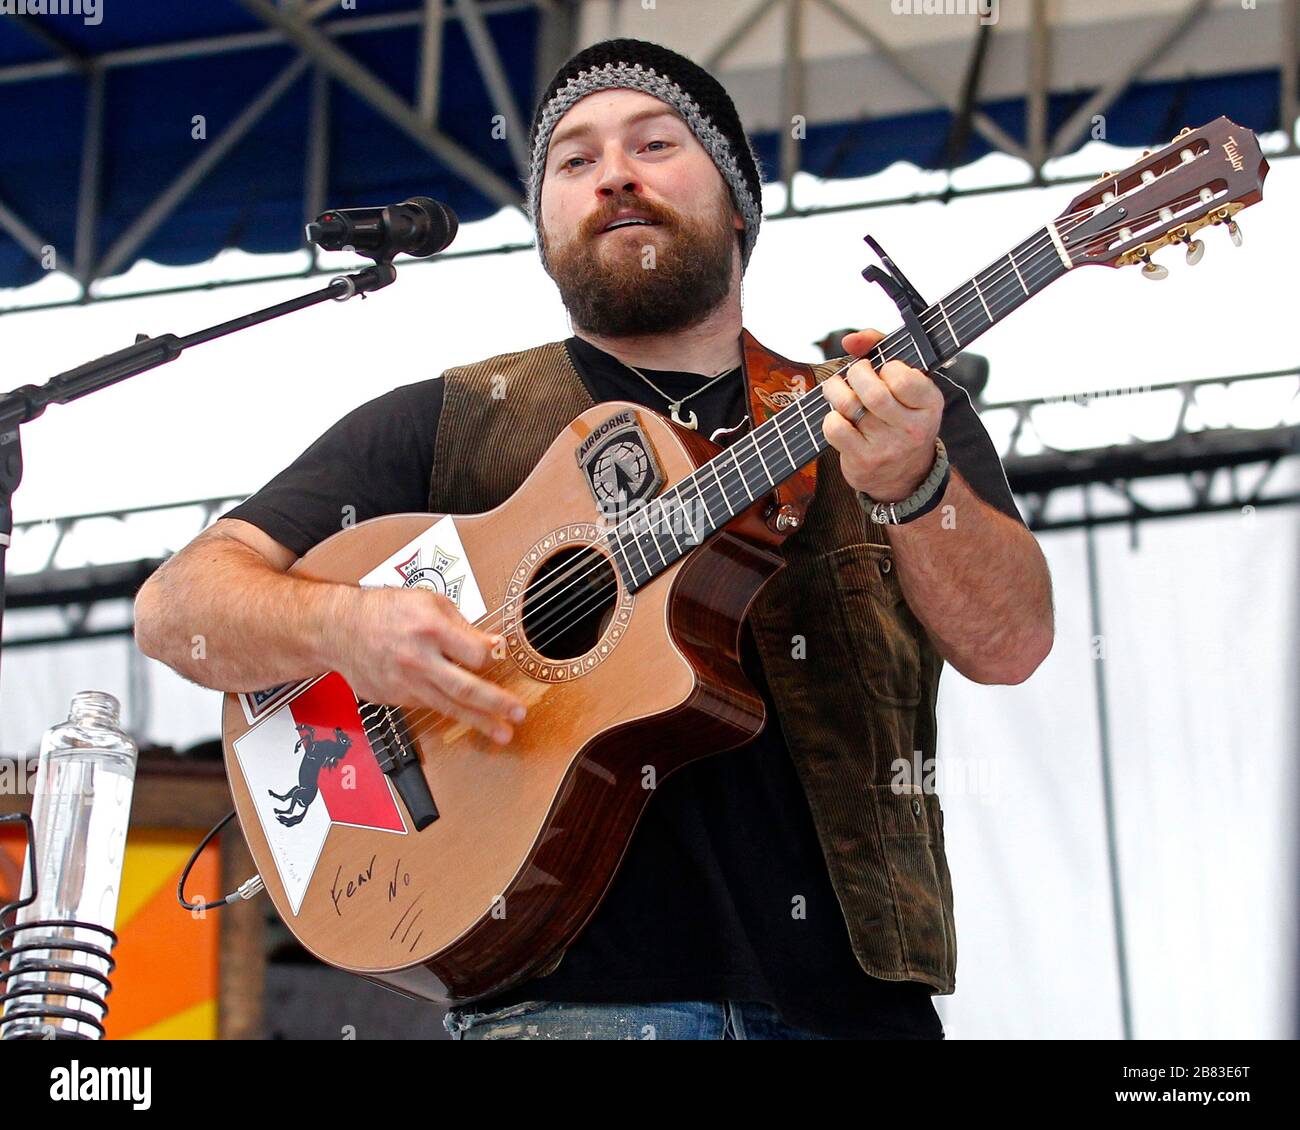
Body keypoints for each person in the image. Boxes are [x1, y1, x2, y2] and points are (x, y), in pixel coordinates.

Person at [134, 38, 1054, 1041]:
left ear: (739, 202)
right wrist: (345, 625)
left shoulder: (891, 407)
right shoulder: (446, 422)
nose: (613, 173)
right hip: (561, 1003)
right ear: (545, 230)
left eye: (655, 144)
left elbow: (1010, 644)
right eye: (573, 162)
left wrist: (916, 487)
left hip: (855, 1004)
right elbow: (177, 612)